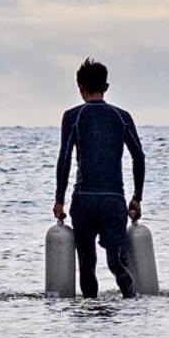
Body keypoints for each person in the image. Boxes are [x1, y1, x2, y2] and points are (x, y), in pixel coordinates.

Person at [52, 57, 145, 299]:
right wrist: (137, 198)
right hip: (114, 200)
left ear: (80, 87)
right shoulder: (121, 116)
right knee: (116, 262)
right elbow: (139, 157)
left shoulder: (72, 116)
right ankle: (131, 305)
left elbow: (64, 159)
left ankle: (91, 315)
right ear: (106, 87)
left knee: (87, 264)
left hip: (83, 200)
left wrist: (59, 200)